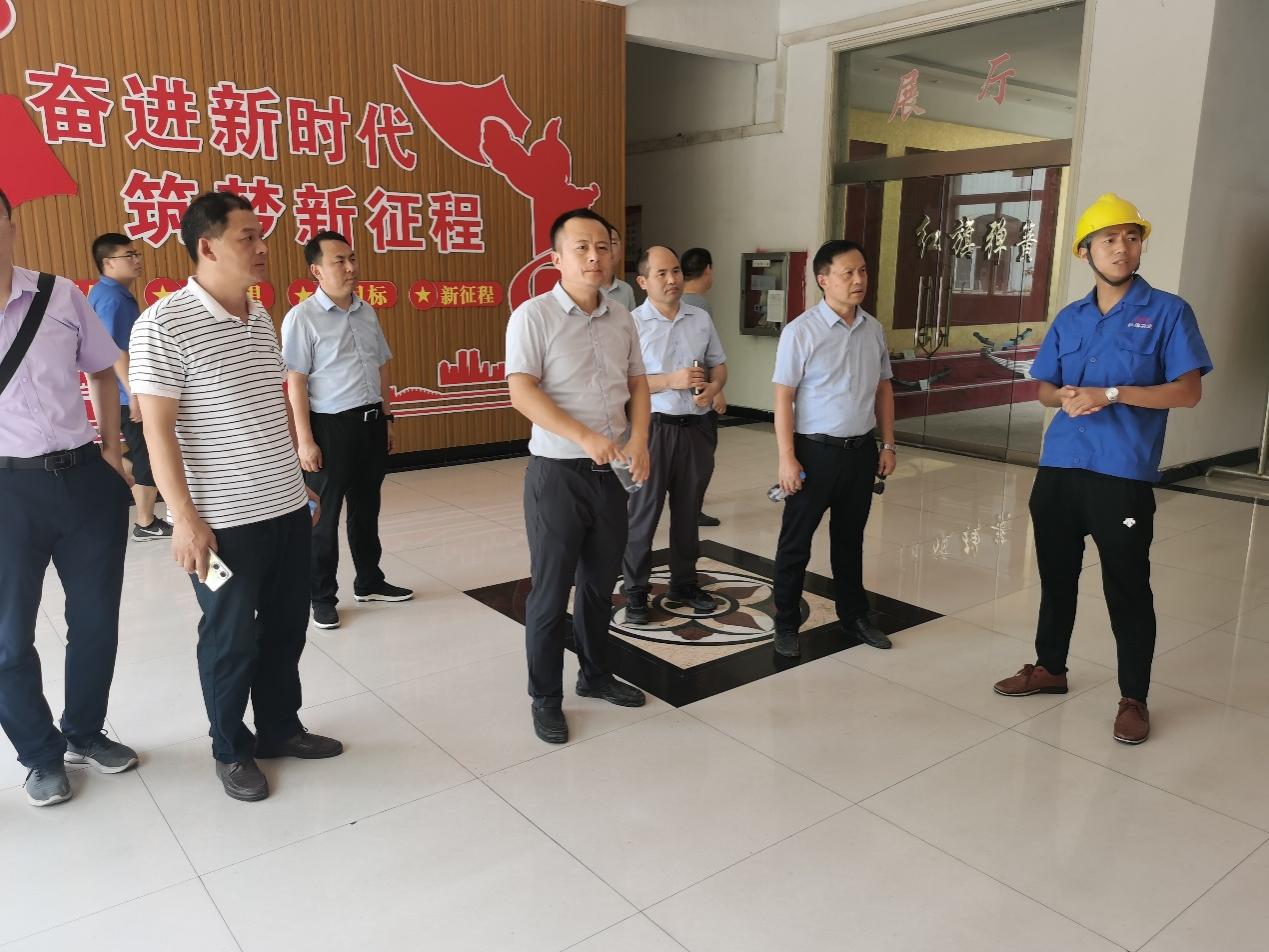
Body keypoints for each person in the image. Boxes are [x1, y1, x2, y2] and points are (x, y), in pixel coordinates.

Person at [129, 192, 342, 802]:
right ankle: (230, 748)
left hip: (284, 508)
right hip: (221, 523)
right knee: (230, 639)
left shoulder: (259, 315)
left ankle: (279, 728)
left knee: (285, 628)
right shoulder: (162, 325)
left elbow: (266, 408)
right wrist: (183, 518)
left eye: (261, 235)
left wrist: (296, 481)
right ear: (207, 246)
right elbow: (157, 432)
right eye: (247, 236)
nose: (263, 247)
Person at [992, 194, 1211, 745]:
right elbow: (1044, 388)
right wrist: (1064, 396)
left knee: (1127, 587)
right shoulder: (1071, 317)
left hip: (1122, 473)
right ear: (1085, 251)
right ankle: (1050, 667)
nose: (1121, 248)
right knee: (1055, 576)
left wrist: (1112, 393)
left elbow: (1187, 392)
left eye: (1131, 238)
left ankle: (1133, 696)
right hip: (1060, 467)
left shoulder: (1168, 312)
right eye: (1108, 239)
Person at [0, 188, 138, 807]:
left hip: (83, 477)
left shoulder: (59, 295)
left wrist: (111, 448)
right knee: (7, 639)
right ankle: (40, 755)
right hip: (8, 489)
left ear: (10, 224)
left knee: (95, 622)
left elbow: (102, 370)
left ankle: (84, 731)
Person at [506, 208, 651, 744]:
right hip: (558, 474)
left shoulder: (622, 317)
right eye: (582, 248)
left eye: (603, 246)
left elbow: (637, 383)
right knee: (550, 592)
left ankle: (595, 674)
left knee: (598, 585)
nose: (595, 257)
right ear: (556, 258)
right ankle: (545, 697)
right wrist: (584, 436)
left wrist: (640, 439)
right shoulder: (533, 316)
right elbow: (521, 391)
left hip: (611, 475)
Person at [771, 239, 896, 658]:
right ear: (824, 279)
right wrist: (787, 458)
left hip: (860, 452)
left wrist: (888, 444)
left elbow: (883, 389)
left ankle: (854, 616)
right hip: (814, 453)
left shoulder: (873, 329)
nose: (859, 280)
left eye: (863, 271)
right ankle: (786, 622)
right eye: (848, 273)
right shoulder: (801, 331)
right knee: (796, 543)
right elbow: (783, 397)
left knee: (850, 539)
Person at [282, 230, 413, 631]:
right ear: (316, 271)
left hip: (370, 424)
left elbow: (381, 365)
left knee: (366, 509)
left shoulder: (366, 311)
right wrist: (304, 440)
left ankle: (369, 581)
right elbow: (295, 381)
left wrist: (387, 417)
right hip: (330, 428)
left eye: (352, 258)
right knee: (323, 519)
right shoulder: (302, 317)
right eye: (339, 261)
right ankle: (321, 596)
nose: (350, 267)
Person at [621, 245, 727, 625]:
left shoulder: (700, 318)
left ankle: (684, 584)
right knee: (643, 514)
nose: (672, 279)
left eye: (677, 271)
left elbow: (719, 365)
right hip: (652, 430)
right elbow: (623, 381)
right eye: (662, 273)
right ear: (643, 281)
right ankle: (635, 590)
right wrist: (670, 380)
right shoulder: (630, 323)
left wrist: (714, 388)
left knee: (687, 512)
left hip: (696, 429)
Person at [88, 232, 171, 541]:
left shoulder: (104, 293)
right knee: (148, 455)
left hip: (118, 393)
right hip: (125, 394)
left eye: (137, 254)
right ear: (108, 262)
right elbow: (116, 349)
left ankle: (103, 473)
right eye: (129, 255)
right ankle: (145, 522)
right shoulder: (113, 299)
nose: (137, 260)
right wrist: (134, 392)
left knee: (138, 453)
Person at [680, 246, 725, 527]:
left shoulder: (677, 301)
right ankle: (692, 509)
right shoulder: (699, 306)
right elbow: (706, 356)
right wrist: (717, 390)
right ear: (707, 270)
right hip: (698, 396)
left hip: (678, 397)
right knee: (702, 456)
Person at [601, 224, 637, 312]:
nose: (609, 248)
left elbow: (631, 320)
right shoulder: (581, 288)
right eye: (602, 243)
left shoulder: (626, 289)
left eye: (613, 243)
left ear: (621, 250)